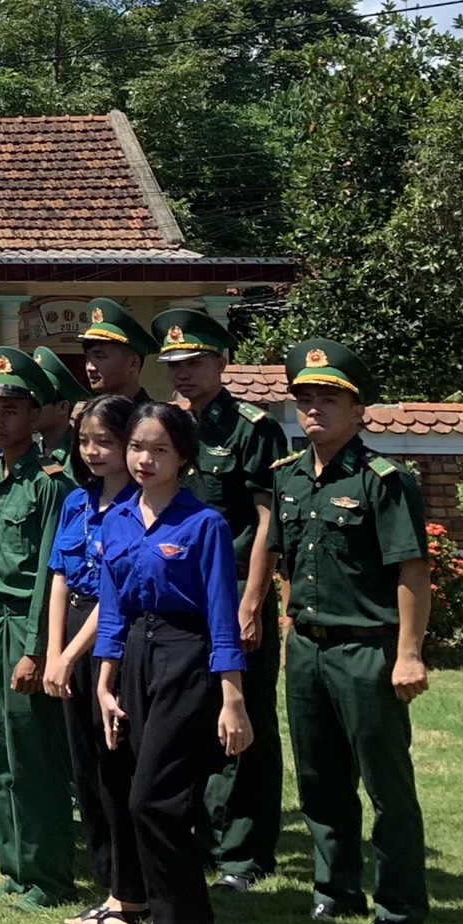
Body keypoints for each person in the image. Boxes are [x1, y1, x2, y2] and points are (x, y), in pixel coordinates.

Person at [267, 338, 428, 924]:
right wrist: (288, 623)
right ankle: (335, 890)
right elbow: (287, 561)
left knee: (386, 783)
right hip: (308, 646)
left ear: (358, 409)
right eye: (305, 398)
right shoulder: (288, 478)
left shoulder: (383, 481)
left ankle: (399, 907)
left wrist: (408, 653)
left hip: (367, 649)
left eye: (328, 398)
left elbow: (411, 570)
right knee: (319, 777)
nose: (314, 409)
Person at [94, 401, 251, 924]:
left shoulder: (203, 524)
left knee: (154, 800)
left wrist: (232, 696)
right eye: (137, 446)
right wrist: (105, 682)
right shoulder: (114, 519)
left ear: (183, 457)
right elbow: (113, 608)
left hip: (188, 658)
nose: (145, 459)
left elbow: (221, 615)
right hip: (135, 654)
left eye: (160, 448)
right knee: (142, 796)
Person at [152, 308, 286, 894]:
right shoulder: (169, 427)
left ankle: (245, 853)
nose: (184, 373)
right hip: (182, 593)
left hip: (233, 588)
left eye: (195, 362)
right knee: (194, 715)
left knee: (245, 715)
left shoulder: (253, 428)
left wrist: (253, 600)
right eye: (175, 364)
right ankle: (204, 838)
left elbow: (265, 522)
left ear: (222, 362)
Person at [0, 347, 75, 911]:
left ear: (35, 416)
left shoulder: (51, 483)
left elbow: (47, 577)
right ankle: (13, 866)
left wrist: (36, 649)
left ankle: (48, 874)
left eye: (10, 409)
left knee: (32, 756)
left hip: (19, 629)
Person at [44, 392, 145, 924]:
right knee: (86, 771)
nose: (92, 452)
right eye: (84, 441)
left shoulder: (139, 507)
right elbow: (59, 574)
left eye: (105, 442)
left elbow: (115, 594)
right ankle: (110, 885)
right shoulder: (75, 501)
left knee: (116, 771)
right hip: (72, 641)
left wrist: (72, 653)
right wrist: (55, 650)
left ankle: (128, 893)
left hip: (113, 642)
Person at [78, 300, 156, 403]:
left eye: (100, 357)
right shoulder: (88, 415)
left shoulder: (151, 417)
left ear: (133, 363)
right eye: (88, 358)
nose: (90, 367)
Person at [34, 345, 85, 478]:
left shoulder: (81, 454)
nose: (31, 409)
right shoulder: (31, 449)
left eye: (39, 402)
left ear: (63, 407)